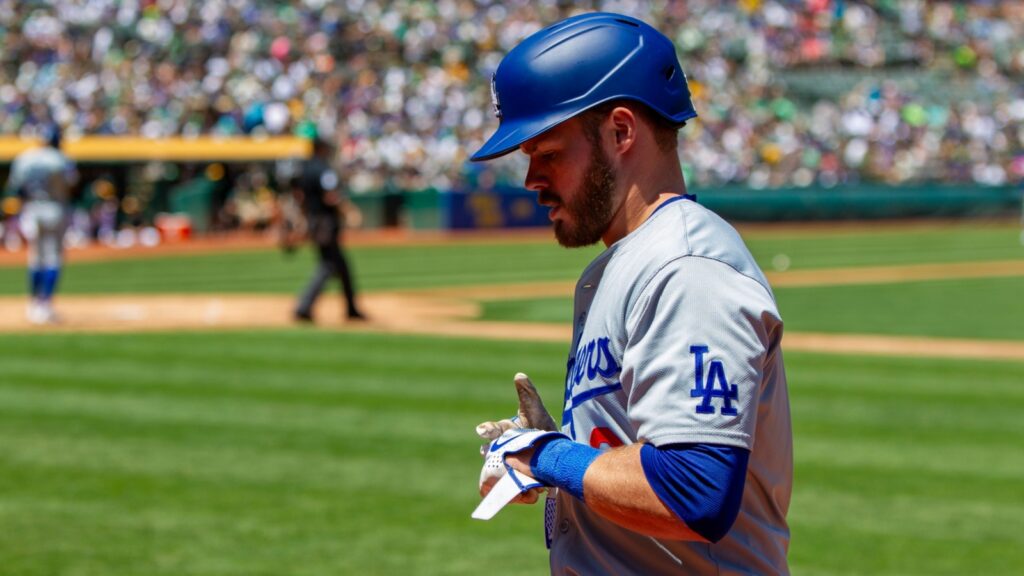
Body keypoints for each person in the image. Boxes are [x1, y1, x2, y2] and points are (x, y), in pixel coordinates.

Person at [471, 13, 792, 575]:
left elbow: (693, 491)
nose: (531, 179)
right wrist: (556, 451)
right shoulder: (623, 264)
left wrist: (545, 456)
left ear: (621, 132)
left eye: (547, 152)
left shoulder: (687, 266)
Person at [4, 124, 78, 324]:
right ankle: (45, 305)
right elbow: (71, 184)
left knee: (35, 257)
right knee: (53, 257)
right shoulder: (61, 159)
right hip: (55, 208)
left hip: (31, 209)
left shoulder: (25, 158)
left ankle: (33, 303)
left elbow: (16, 188)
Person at [293, 137, 366, 323]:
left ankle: (351, 309)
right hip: (326, 223)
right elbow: (331, 195)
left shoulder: (305, 169)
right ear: (321, 149)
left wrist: (302, 220)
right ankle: (304, 306)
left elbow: (300, 197)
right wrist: (349, 211)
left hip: (313, 220)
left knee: (341, 266)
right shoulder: (323, 169)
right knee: (328, 265)